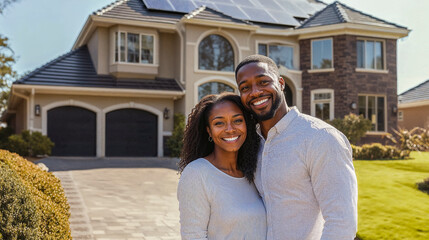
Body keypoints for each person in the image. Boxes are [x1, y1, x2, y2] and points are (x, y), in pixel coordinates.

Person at [235, 54, 358, 240]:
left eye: (263, 82)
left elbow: (342, 223)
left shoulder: (320, 138)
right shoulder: (252, 143)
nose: (255, 92)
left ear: (281, 83)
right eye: (245, 87)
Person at [177, 92, 267, 240]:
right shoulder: (197, 174)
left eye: (237, 120)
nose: (230, 129)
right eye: (219, 123)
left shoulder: (254, 172)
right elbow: (193, 236)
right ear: (209, 131)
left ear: (247, 125)